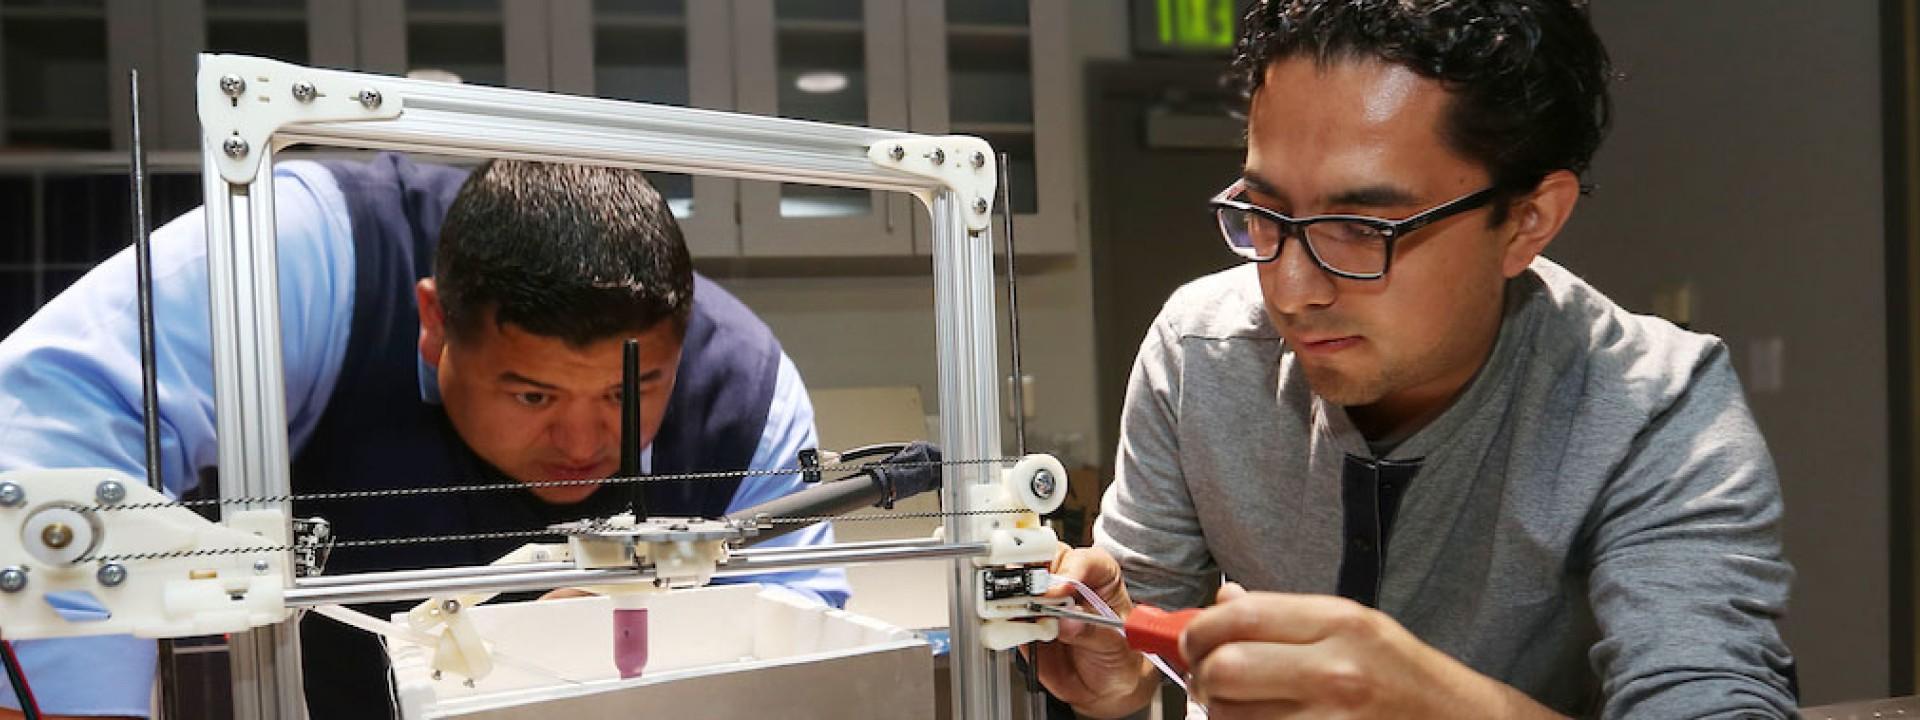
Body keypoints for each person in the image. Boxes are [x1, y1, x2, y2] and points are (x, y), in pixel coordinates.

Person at [1035, 1, 1796, 717]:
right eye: (1265, 214)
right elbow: (1139, 639)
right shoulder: (1199, 351)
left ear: (1529, 220)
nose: (1291, 291)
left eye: (1364, 227)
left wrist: (1430, 703)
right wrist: (1113, 673)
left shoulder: (1653, 411)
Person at [0, 154, 847, 718]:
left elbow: (808, 625)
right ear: (435, 324)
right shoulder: (300, 261)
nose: (589, 441)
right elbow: (43, 466)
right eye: (533, 392)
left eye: (637, 390)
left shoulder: (746, 393)